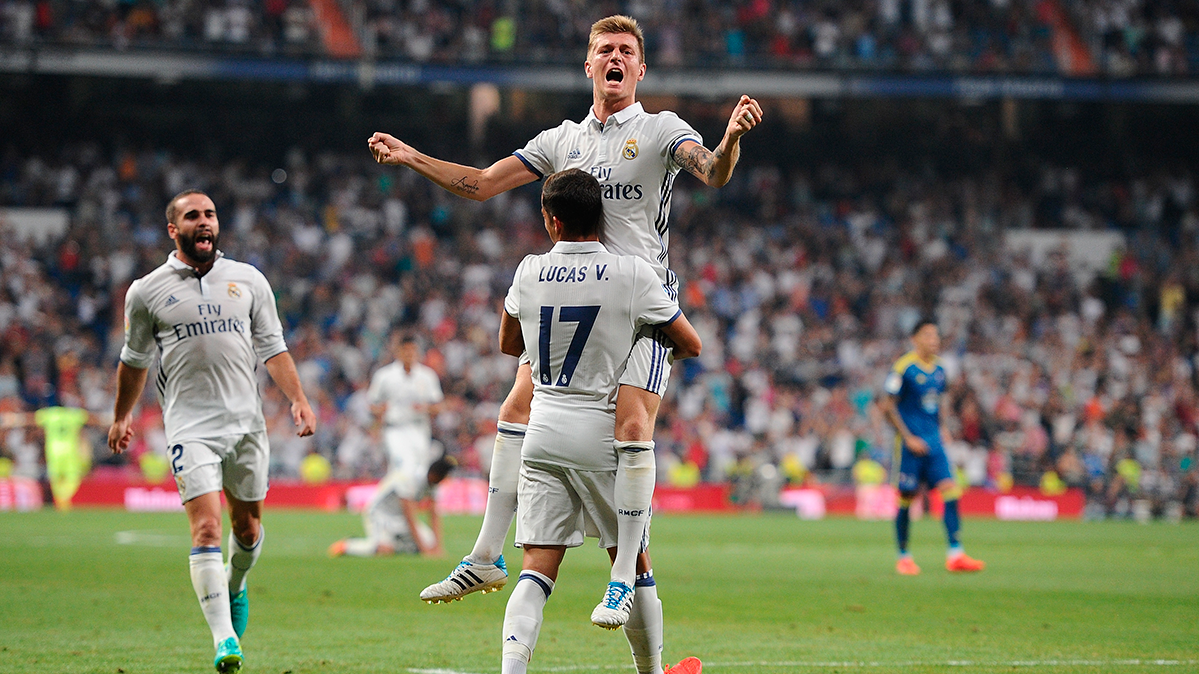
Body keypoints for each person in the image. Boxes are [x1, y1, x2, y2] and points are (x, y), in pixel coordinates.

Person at [370, 14, 761, 628]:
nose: (615, 58)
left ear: (640, 68)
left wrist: (730, 138)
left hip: (640, 304)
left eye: (626, 50)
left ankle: (621, 575)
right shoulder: (562, 141)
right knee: (515, 406)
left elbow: (711, 172)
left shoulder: (660, 130)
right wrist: (412, 157)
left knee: (631, 423)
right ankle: (484, 556)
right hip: (575, 296)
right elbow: (481, 185)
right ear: (588, 65)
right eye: (605, 49)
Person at [498, 169, 703, 674]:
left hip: (542, 435)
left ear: (552, 220)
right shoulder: (632, 273)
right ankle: (652, 671)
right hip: (602, 438)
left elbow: (508, 344)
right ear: (602, 216)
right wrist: (636, 348)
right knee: (632, 561)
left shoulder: (529, 270)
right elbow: (690, 343)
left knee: (535, 570)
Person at [107, 190, 316, 674]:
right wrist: (121, 415)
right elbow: (134, 361)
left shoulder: (248, 280)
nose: (204, 222)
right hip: (189, 426)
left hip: (246, 424)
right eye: (192, 216)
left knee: (248, 529)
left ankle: (235, 585)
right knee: (206, 527)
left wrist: (298, 398)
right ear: (173, 230)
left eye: (210, 214)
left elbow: (273, 347)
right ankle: (224, 639)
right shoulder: (147, 291)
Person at [879, 319, 985, 576]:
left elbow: (939, 400)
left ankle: (956, 554)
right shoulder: (903, 368)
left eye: (936, 336)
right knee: (907, 497)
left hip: (934, 441)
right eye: (927, 335)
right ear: (914, 339)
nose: (933, 340)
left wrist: (943, 426)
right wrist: (908, 437)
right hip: (910, 445)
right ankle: (904, 557)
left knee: (951, 490)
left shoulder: (940, 368)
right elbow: (887, 406)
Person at [329, 455, 454, 557]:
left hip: (398, 517)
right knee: (385, 550)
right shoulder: (410, 478)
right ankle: (347, 546)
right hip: (381, 514)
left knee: (429, 542)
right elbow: (410, 517)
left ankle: (393, 545)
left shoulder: (434, 483)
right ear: (435, 475)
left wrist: (437, 548)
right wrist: (424, 550)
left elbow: (434, 514)